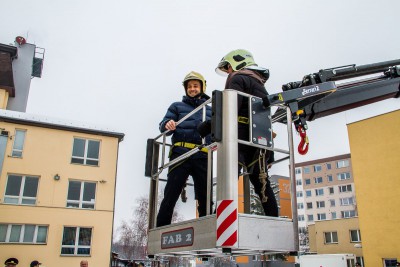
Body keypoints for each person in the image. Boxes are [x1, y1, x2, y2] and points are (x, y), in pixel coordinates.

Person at [215, 49, 278, 217]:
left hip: (238, 137)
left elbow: (231, 108)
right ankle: (274, 220)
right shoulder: (259, 84)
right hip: (259, 140)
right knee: (262, 184)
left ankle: (219, 223)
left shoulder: (236, 78)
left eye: (227, 68)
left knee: (227, 181)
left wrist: (209, 127)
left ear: (234, 63)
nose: (228, 71)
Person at [156, 71, 212, 227]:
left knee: (205, 196)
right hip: (180, 153)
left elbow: (217, 132)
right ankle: (161, 230)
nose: (192, 89)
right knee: (171, 193)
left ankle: (206, 230)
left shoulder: (210, 109)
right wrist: (167, 124)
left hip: (202, 154)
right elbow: (164, 124)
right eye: (189, 87)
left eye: (195, 86)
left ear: (202, 87)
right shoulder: (177, 106)